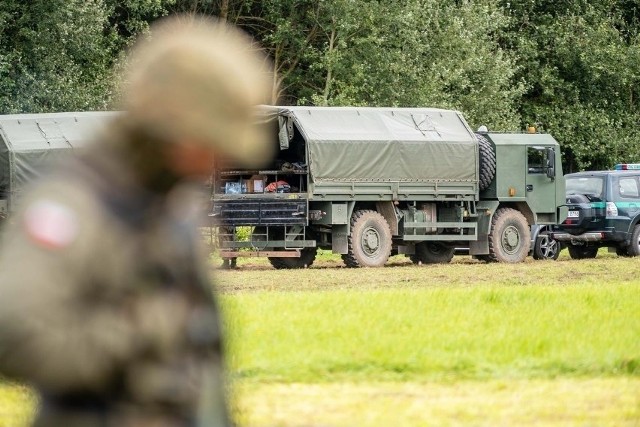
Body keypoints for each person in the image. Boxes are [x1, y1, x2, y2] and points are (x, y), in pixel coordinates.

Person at [0, 15, 272, 427]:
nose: (219, 159)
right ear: (168, 126)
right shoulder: (71, 207)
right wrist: (141, 328)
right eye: (208, 140)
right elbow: (15, 336)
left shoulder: (171, 204)